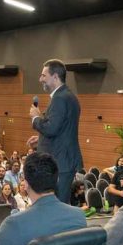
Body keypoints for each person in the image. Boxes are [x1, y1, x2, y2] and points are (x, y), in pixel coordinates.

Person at [28, 59, 83, 203]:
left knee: (58, 205)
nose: (40, 79)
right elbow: (60, 130)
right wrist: (40, 139)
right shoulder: (67, 96)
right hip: (63, 161)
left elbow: (52, 128)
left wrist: (35, 118)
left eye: (43, 75)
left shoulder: (60, 98)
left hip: (60, 162)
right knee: (60, 205)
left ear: (55, 77)